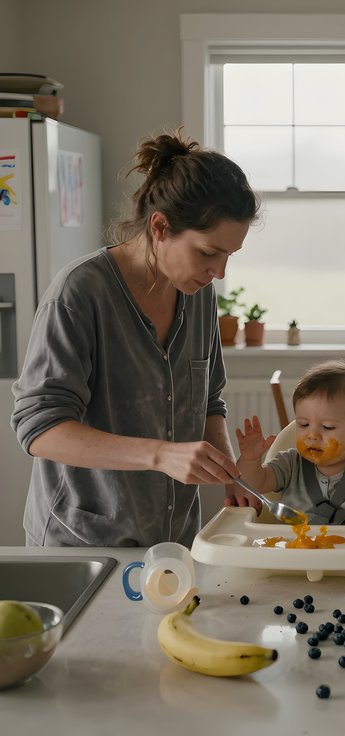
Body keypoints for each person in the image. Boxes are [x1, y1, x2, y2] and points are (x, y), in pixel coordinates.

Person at [11, 129, 260, 547]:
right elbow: (39, 429)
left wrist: (228, 472)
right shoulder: (80, 293)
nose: (219, 272)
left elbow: (209, 402)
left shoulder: (197, 295)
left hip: (173, 539)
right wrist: (161, 454)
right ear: (160, 227)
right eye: (208, 252)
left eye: (228, 257)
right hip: (83, 542)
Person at [230, 360, 345, 525]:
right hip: (295, 559)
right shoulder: (289, 464)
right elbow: (256, 484)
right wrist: (250, 460)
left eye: (327, 427)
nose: (312, 435)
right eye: (303, 424)